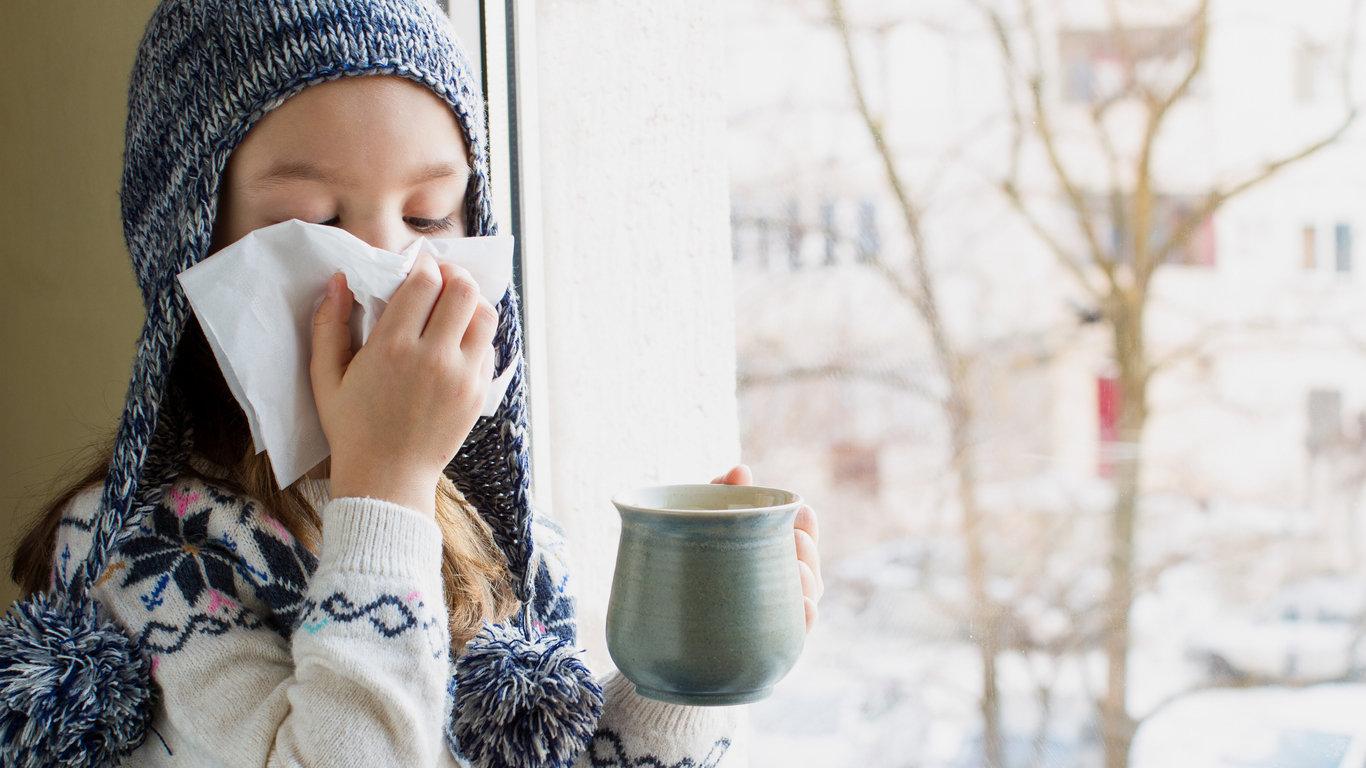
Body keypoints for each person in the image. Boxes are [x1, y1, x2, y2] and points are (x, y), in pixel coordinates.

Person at [2, 1, 825, 766]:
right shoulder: (150, 551)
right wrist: (385, 483)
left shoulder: (490, 528)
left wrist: (689, 675)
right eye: (315, 223)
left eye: (430, 217)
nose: (392, 272)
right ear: (190, 248)